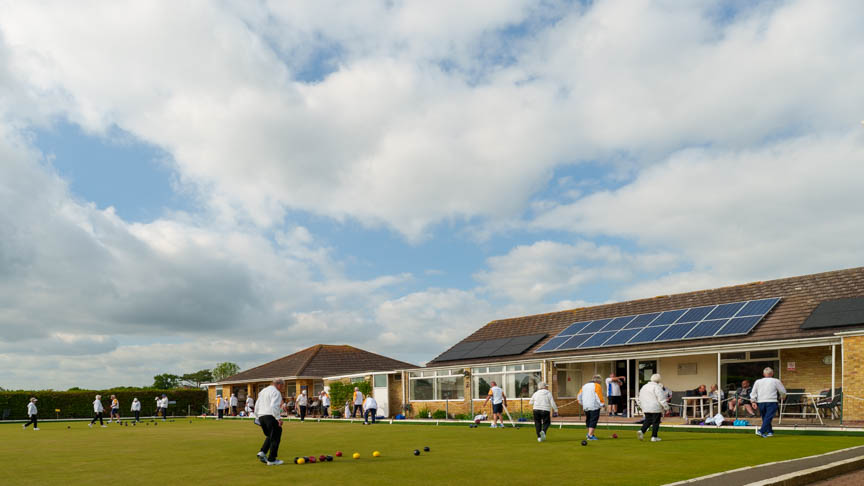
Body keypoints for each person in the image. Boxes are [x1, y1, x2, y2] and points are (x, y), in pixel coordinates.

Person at [254, 378, 285, 466]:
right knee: (276, 436)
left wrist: (257, 417)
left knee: (271, 435)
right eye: (283, 386)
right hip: (270, 416)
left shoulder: (263, 391)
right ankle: (271, 459)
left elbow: (257, 405)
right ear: (279, 385)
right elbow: (274, 406)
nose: (283, 388)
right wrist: (278, 418)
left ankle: (263, 452)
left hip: (261, 416)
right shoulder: (276, 392)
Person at [751, 367, 787, 438]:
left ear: (763, 374)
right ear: (772, 374)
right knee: (768, 417)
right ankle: (761, 431)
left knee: (765, 417)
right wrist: (783, 396)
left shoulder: (758, 381)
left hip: (761, 402)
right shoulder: (776, 381)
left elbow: (753, 392)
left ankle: (770, 432)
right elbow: (782, 391)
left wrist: (753, 401)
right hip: (772, 401)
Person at [637, 374, 670, 442]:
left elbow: (640, 397)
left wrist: (641, 406)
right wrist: (667, 408)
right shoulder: (657, 387)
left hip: (646, 407)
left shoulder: (644, 387)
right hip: (655, 407)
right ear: (659, 380)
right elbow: (661, 399)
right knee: (656, 422)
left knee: (648, 420)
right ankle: (654, 437)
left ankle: (642, 431)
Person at [577, 375, 604, 441]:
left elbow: (579, 396)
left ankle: (589, 433)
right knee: (593, 420)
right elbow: (598, 396)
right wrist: (602, 404)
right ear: (598, 381)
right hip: (594, 406)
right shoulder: (597, 386)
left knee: (588, 419)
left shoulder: (584, 386)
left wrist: (582, 403)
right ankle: (590, 435)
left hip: (585, 406)